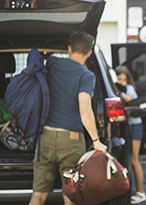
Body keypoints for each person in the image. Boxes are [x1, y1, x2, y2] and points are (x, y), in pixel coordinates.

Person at [29, 31, 107, 205]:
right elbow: (85, 109)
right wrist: (96, 140)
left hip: (46, 137)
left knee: (39, 195)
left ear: (69, 48)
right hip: (71, 141)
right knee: (70, 196)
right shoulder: (86, 76)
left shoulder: (53, 63)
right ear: (89, 53)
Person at [115, 66, 146, 204]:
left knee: (134, 160)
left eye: (124, 79)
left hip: (135, 126)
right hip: (125, 127)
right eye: (119, 79)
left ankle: (141, 192)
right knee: (125, 160)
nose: (122, 82)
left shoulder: (129, 89)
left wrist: (118, 91)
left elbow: (128, 98)